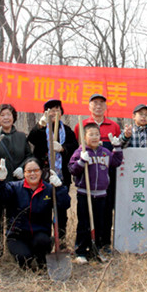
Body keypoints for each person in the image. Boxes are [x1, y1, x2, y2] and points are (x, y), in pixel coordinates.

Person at [0, 157, 69, 270]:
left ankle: (42, 257)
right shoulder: (15, 187)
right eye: (29, 171)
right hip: (17, 236)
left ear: (41, 171)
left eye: (36, 170)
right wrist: (0, 181)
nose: (33, 174)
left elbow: (64, 204)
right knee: (25, 259)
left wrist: (60, 188)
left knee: (42, 243)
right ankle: (28, 257)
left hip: (40, 234)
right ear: (24, 173)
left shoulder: (48, 189)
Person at [0, 103, 32, 258]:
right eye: (2, 115)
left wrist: (23, 167)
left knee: (15, 221)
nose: (6, 118)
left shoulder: (21, 136)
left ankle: (14, 253)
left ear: (14, 117)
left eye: (9, 114)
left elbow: (30, 156)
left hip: (16, 186)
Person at [69, 123, 123, 264]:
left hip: (101, 195)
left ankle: (96, 249)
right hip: (84, 194)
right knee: (84, 223)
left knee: (99, 223)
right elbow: (72, 169)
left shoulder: (105, 152)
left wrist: (117, 147)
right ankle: (80, 251)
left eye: (96, 134)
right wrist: (81, 161)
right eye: (91, 134)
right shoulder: (80, 151)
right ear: (84, 137)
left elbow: (116, 162)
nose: (94, 137)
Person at [27, 99, 78, 248]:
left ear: (61, 112)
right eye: (51, 110)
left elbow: (74, 147)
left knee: (61, 210)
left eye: (57, 110)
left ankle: (60, 241)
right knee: (42, 209)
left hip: (62, 177)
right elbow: (31, 139)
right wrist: (40, 125)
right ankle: (42, 241)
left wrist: (62, 148)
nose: (54, 113)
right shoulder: (41, 130)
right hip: (43, 176)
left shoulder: (67, 130)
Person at [73, 94, 121, 251]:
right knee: (85, 215)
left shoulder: (113, 126)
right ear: (89, 107)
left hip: (105, 175)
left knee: (105, 211)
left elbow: (115, 155)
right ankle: (83, 245)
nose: (98, 106)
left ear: (106, 107)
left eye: (102, 103)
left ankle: (104, 243)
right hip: (87, 176)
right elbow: (76, 152)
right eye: (95, 103)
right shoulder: (81, 125)